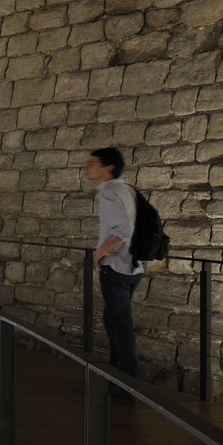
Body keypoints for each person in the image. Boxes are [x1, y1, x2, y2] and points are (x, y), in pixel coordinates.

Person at [85, 147, 142, 377]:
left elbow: (123, 228)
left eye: (92, 163)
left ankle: (125, 383)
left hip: (116, 267)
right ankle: (117, 377)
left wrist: (100, 252)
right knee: (115, 323)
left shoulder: (108, 191)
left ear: (107, 168)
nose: (87, 167)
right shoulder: (127, 189)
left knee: (120, 326)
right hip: (134, 265)